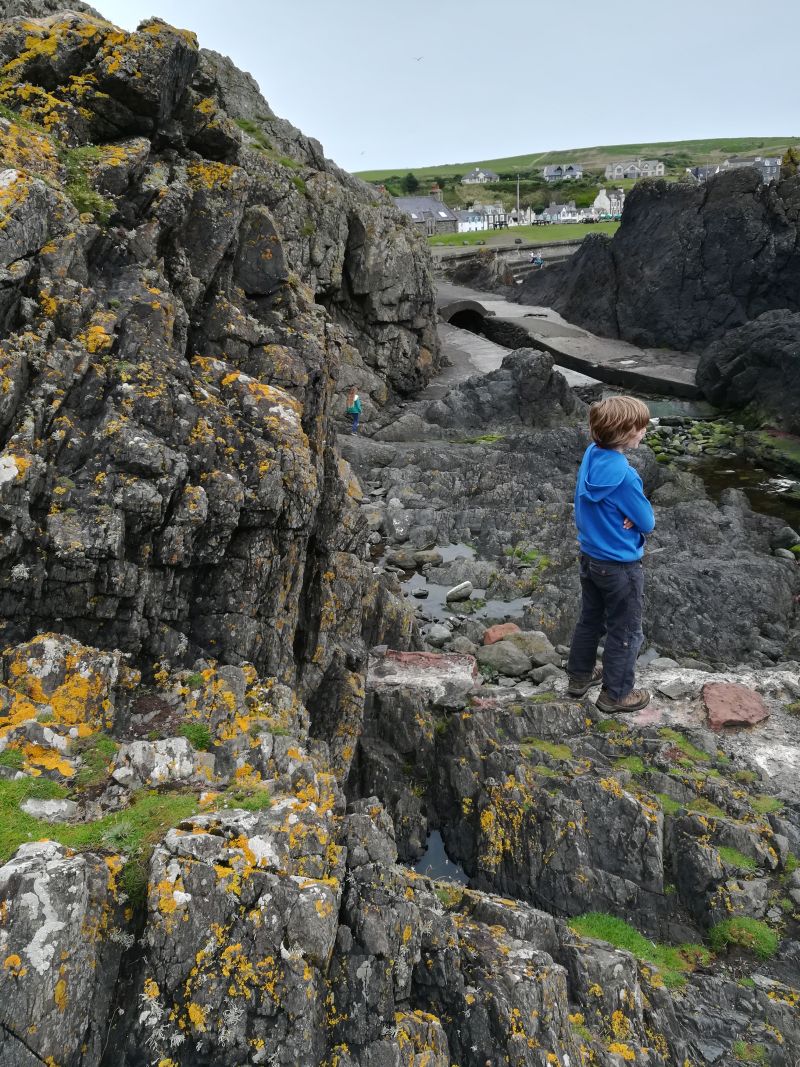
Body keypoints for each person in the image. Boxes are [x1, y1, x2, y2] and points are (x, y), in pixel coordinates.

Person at [566, 396, 654, 713]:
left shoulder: (591, 455)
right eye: (642, 427)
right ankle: (615, 695)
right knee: (626, 630)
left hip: (590, 558)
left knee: (590, 620)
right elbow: (648, 521)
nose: (644, 431)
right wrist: (631, 517)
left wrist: (617, 511)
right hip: (620, 565)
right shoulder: (625, 476)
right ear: (628, 432)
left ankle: (579, 677)